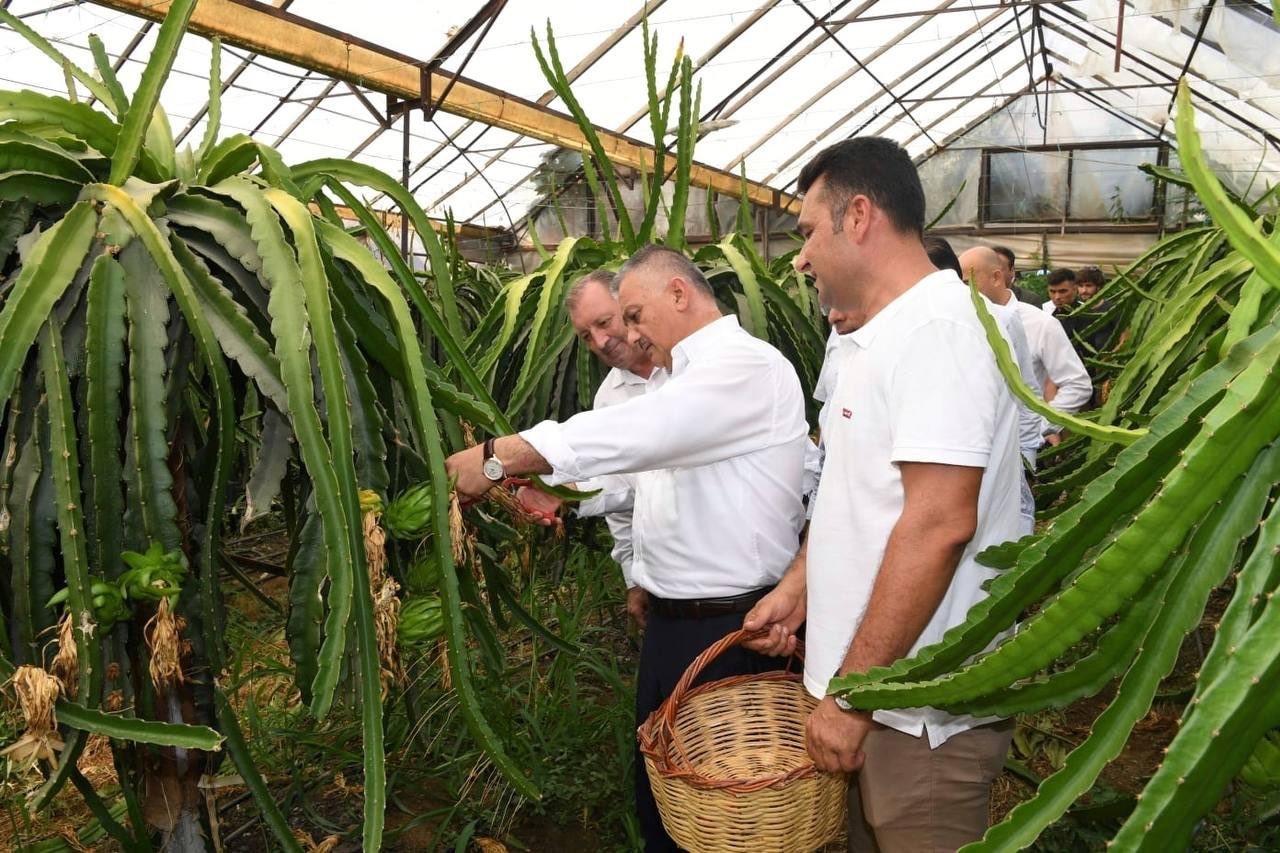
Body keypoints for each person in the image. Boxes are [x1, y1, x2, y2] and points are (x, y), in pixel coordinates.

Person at [444, 245, 811, 852]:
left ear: (678, 293)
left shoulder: (745, 367)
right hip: (676, 628)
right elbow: (640, 477)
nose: (628, 334)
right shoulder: (683, 378)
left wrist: (498, 456)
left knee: (731, 818)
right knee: (667, 800)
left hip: (736, 627)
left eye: (632, 315)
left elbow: (643, 433)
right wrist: (565, 499)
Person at [743, 136, 1021, 852]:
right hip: (880, 708)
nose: (799, 256)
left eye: (807, 231)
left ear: (858, 216)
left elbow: (937, 525)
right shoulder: (878, 338)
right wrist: (800, 585)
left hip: (919, 719)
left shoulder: (938, 331)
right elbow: (855, 492)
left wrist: (851, 695)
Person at [564, 269, 664, 628]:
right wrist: (633, 576)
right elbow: (622, 497)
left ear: (630, 304)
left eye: (604, 322)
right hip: (664, 578)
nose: (601, 341)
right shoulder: (608, 399)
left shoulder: (690, 368)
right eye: (586, 336)